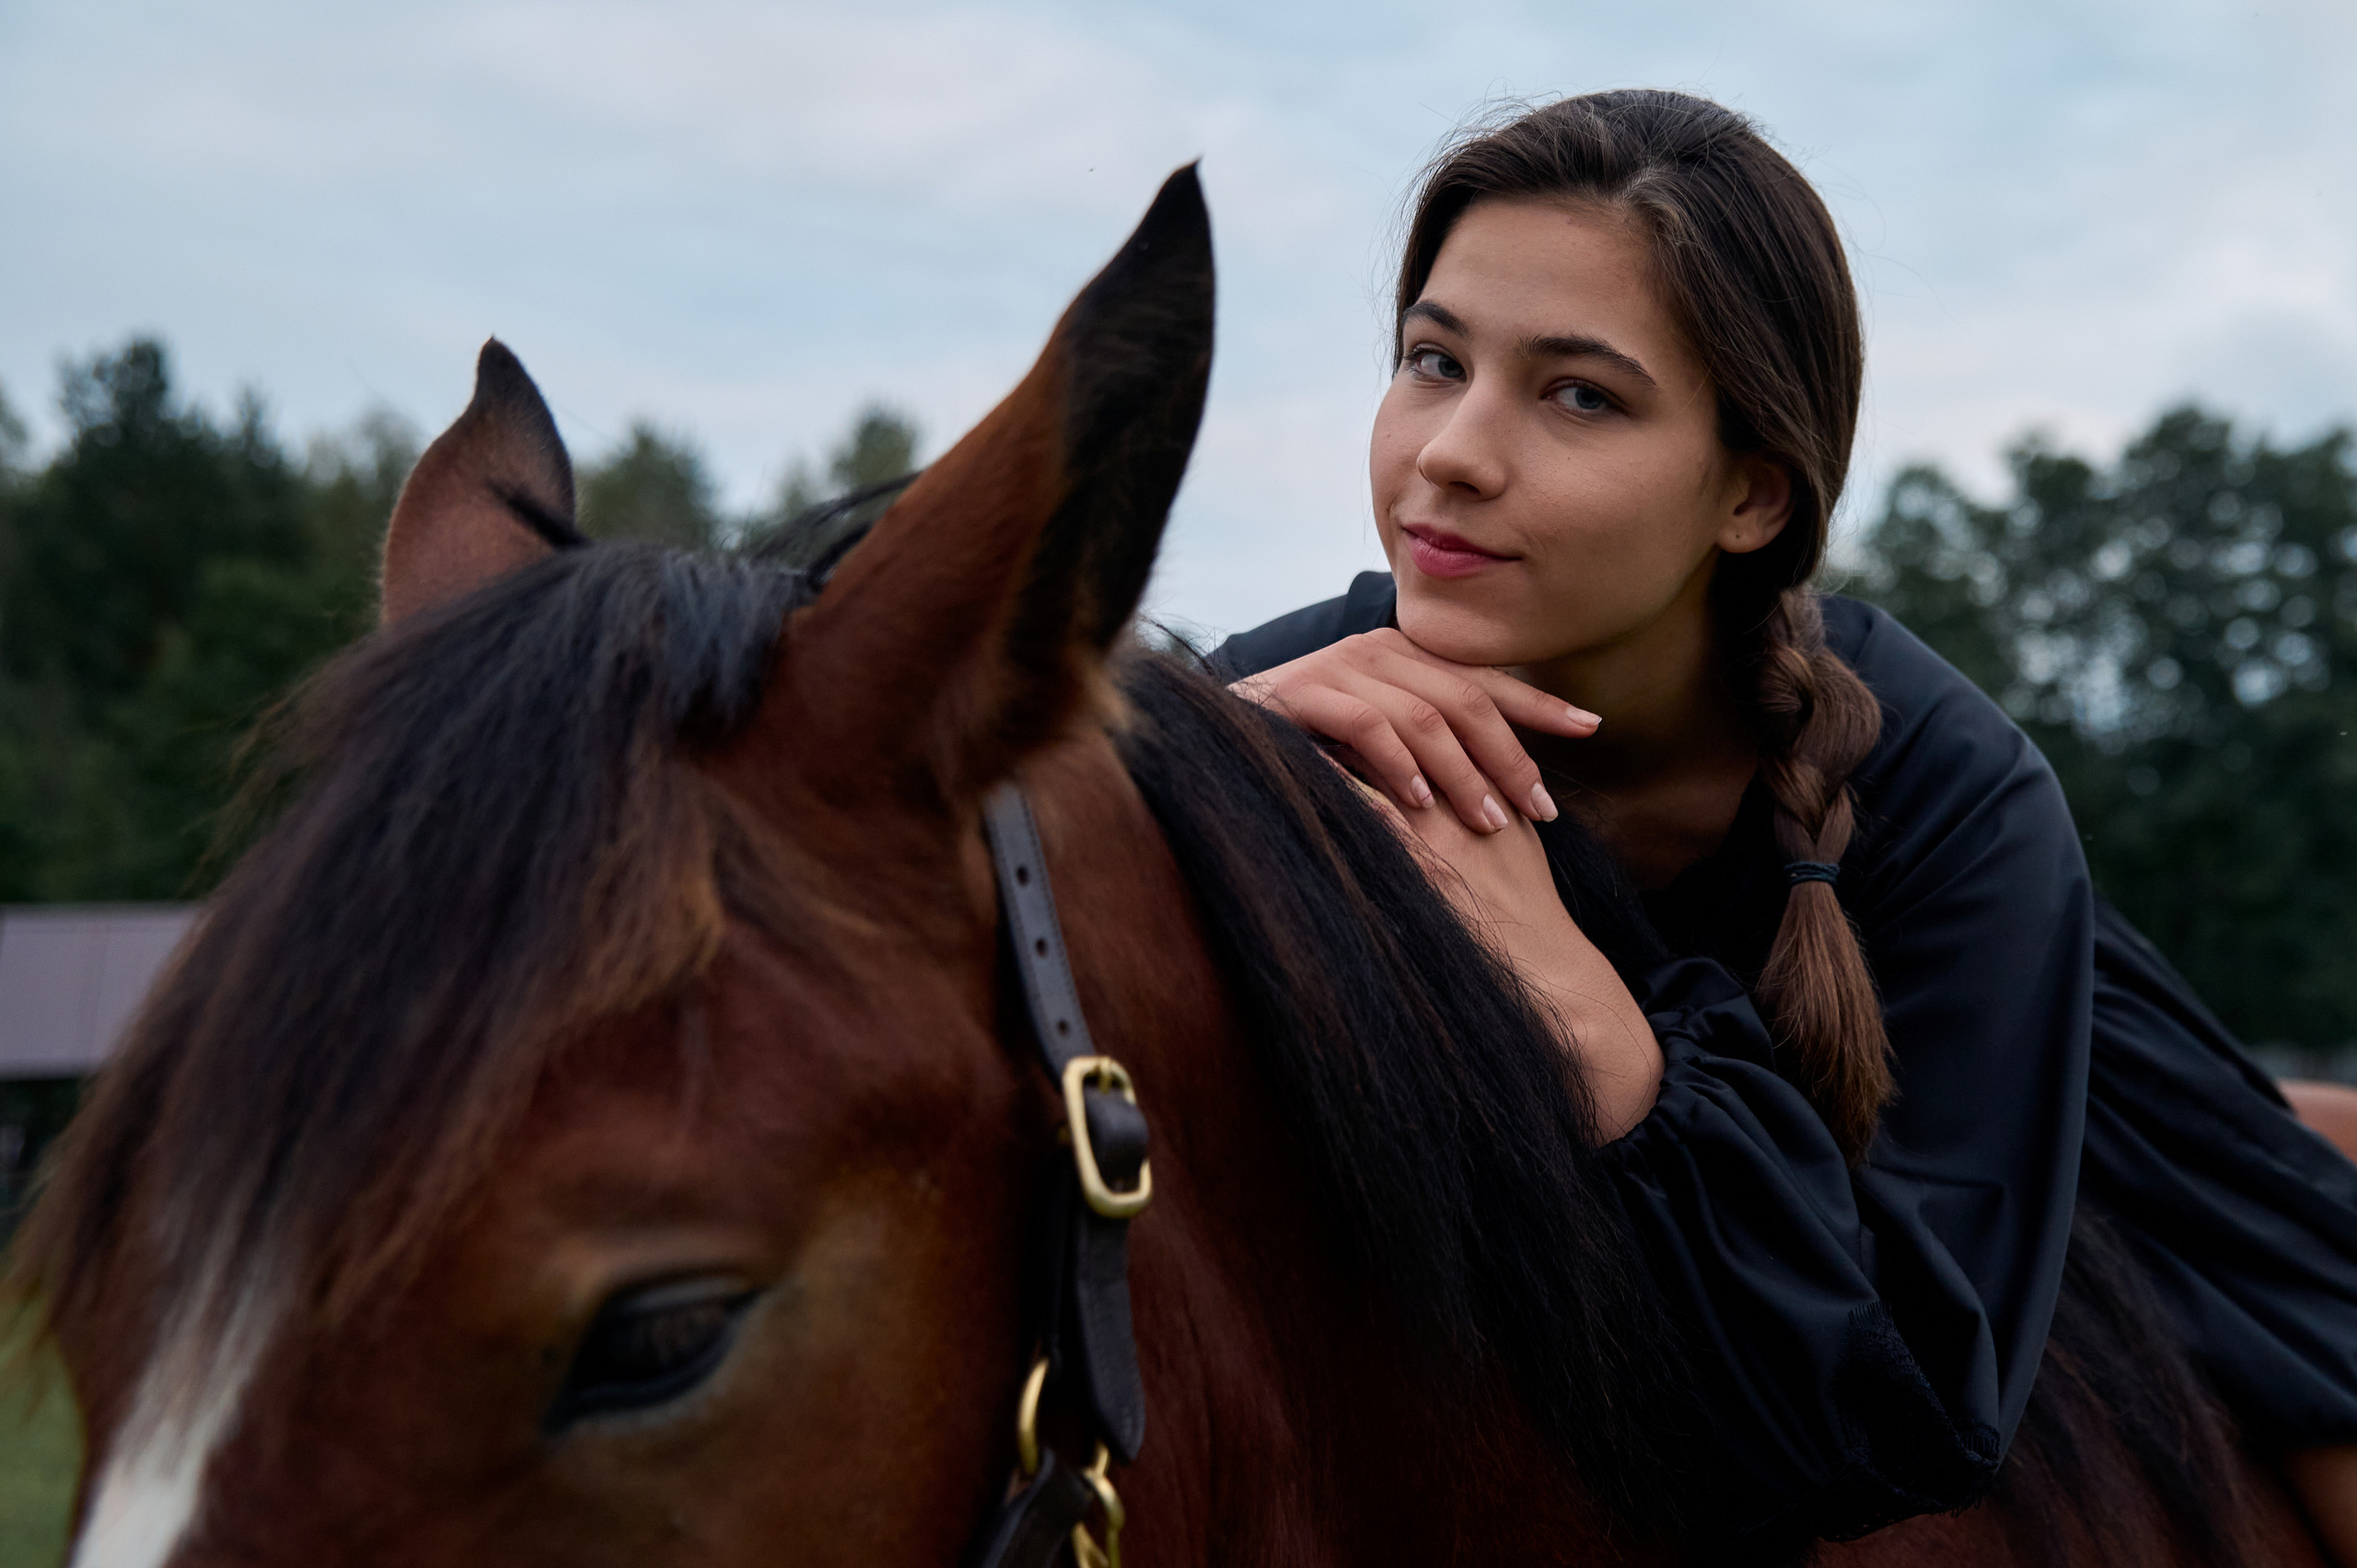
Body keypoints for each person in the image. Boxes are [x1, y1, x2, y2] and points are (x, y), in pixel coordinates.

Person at [1212, 89, 2357, 1553]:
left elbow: (1910, 1418)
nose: (1451, 452)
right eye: (1435, 361)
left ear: (1752, 496)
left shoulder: (1961, 801)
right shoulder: (1282, 706)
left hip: (1991, 1023)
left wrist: (1579, 1005)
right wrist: (1204, 762)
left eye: (1579, 395)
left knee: (2326, 1357)